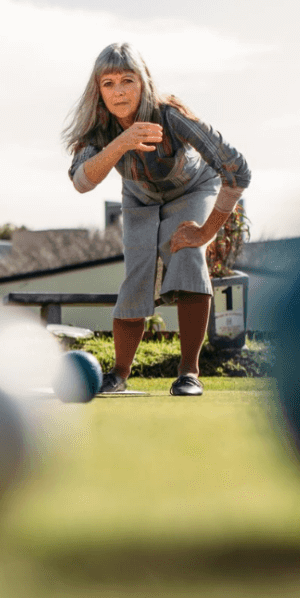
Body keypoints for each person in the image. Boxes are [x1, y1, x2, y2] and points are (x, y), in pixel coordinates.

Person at [64, 43, 251, 396]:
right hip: (140, 197)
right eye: (108, 83)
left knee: (185, 255)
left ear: (143, 82)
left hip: (191, 190)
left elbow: (236, 170)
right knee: (137, 275)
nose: (118, 91)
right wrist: (121, 143)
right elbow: (81, 182)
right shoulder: (98, 125)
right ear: (98, 89)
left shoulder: (170, 114)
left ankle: (189, 373)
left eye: (127, 80)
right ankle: (119, 375)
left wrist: (206, 231)